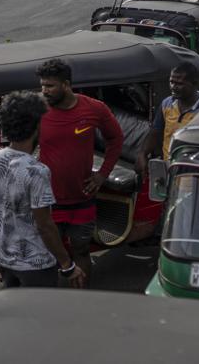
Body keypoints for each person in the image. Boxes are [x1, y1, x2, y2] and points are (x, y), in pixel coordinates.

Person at [0, 91, 86, 289]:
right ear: (36, 127)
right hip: (34, 264)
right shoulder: (36, 171)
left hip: (2, 256)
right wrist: (67, 265)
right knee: (38, 316)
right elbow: (45, 226)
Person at [37, 59, 123, 288]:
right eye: (42, 85)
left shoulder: (94, 108)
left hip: (82, 199)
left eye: (50, 86)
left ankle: (82, 299)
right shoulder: (37, 109)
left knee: (81, 250)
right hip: (48, 200)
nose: (44, 90)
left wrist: (103, 174)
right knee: (51, 254)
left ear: (66, 84)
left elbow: (116, 139)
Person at [137, 62, 199, 172]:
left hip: (194, 172)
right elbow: (155, 132)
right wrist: (143, 153)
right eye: (171, 82)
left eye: (179, 84)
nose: (173, 87)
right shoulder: (167, 104)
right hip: (169, 168)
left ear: (194, 84)